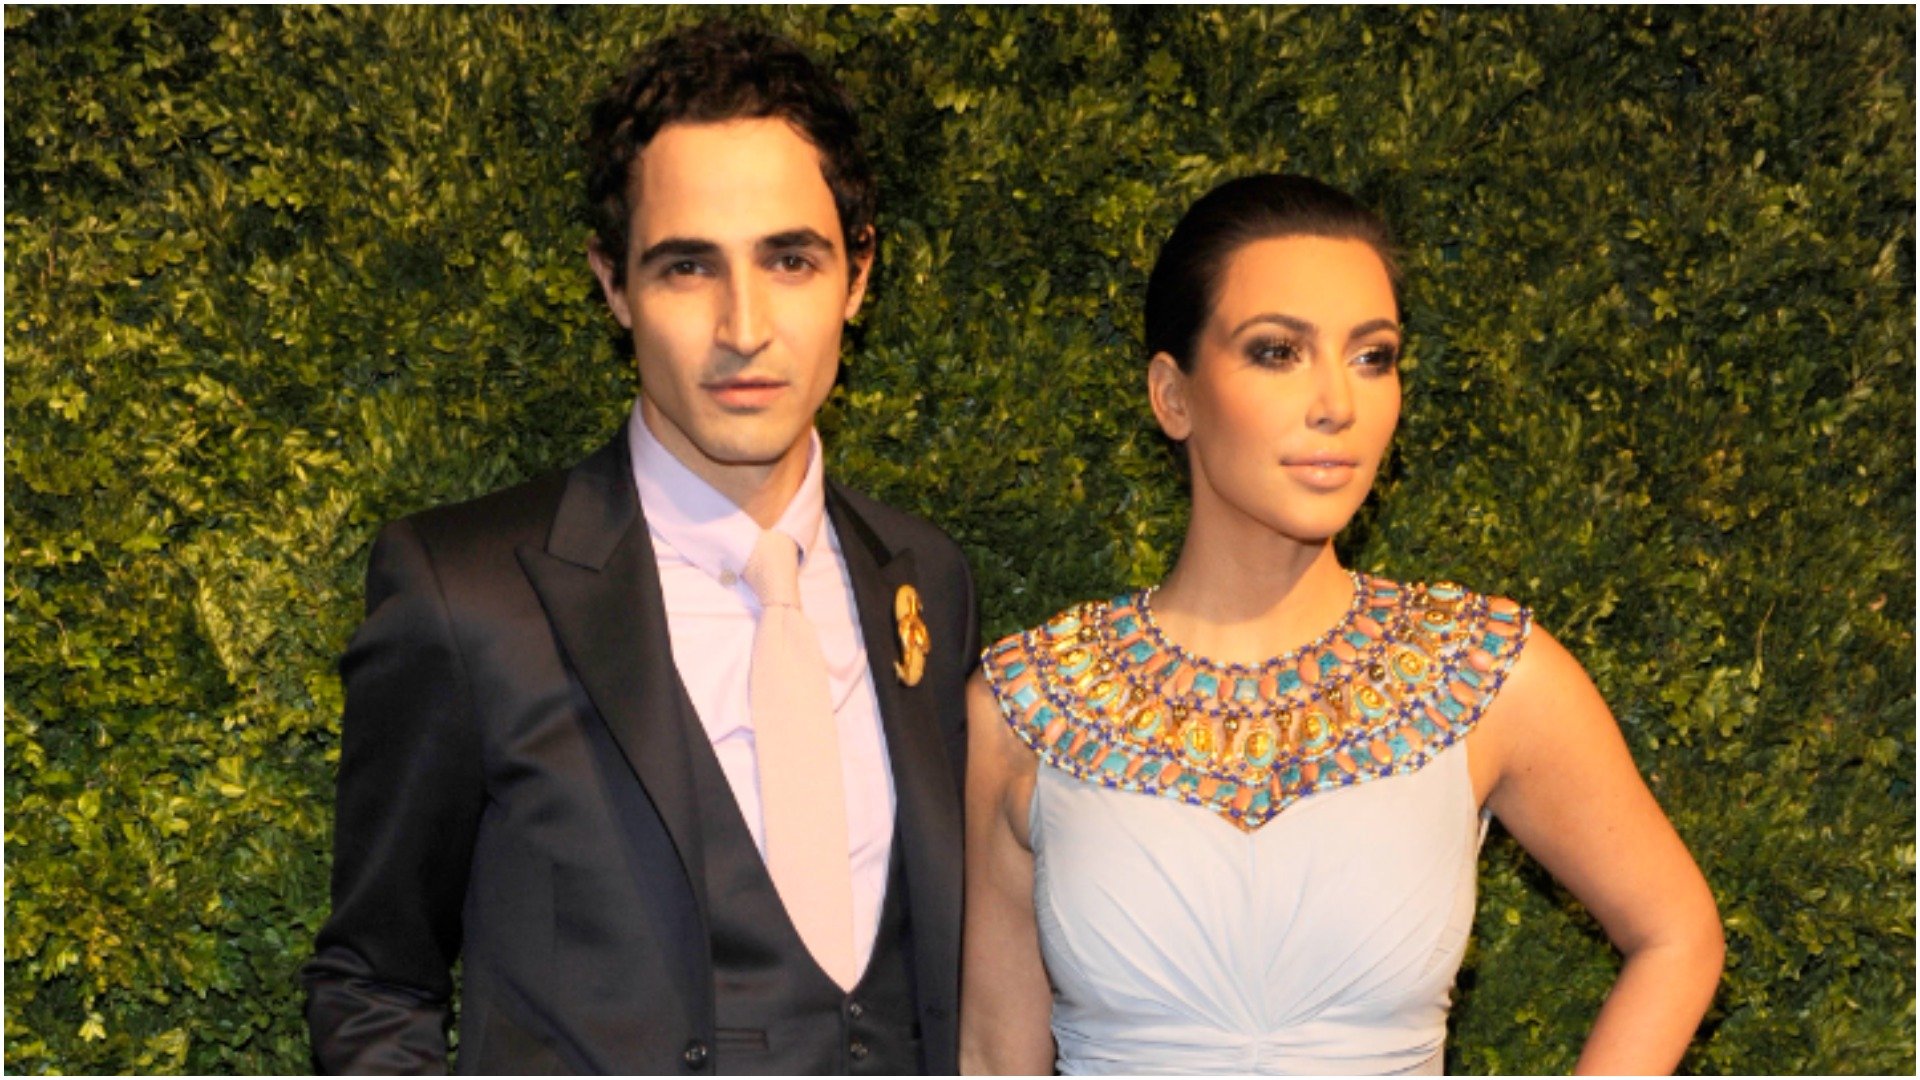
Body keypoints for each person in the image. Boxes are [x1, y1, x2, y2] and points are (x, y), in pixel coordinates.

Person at [303, 21, 977, 1074]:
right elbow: (375, 981)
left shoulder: (928, 579)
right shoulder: (465, 593)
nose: (743, 324)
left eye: (791, 259)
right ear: (613, 287)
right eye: (685, 268)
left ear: (858, 275)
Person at [960, 174, 1724, 1075]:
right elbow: (994, 1056)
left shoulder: (1484, 673)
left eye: (1373, 356)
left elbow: (1678, 934)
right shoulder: (1026, 707)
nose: (1338, 403)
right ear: (1174, 395)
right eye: (1278, 352)